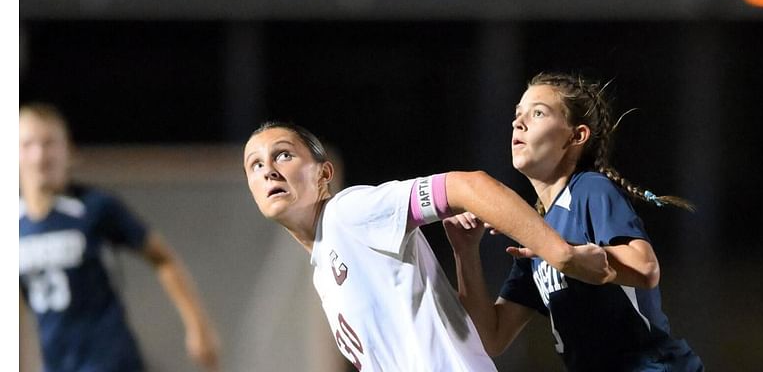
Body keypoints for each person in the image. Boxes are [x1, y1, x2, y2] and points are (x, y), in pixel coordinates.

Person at [243, 121, 616, 371]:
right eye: (255, 165)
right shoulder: (325, 265)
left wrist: (560, 254)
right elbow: (481, 342)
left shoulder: (347, 212)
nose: (268, 170)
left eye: (283, 155)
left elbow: (469, 186)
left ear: (324, 174)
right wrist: (465, 254)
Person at [443, 72, 705, 371]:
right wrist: (465, 252)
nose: (519, 122)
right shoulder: (538, 234)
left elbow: (645, 268)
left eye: (537, 112)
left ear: (576, 136)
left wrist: (573, 256)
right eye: (518, 114)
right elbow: (493, 336)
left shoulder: (589, 189)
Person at [19, 103, 220, 372]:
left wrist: (198, 325)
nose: (39, 155)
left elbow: (162, 258)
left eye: (49, 143)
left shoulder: (94, 207)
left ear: (69, 151)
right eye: (28, 144)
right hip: (57, 363)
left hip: (109, 360)